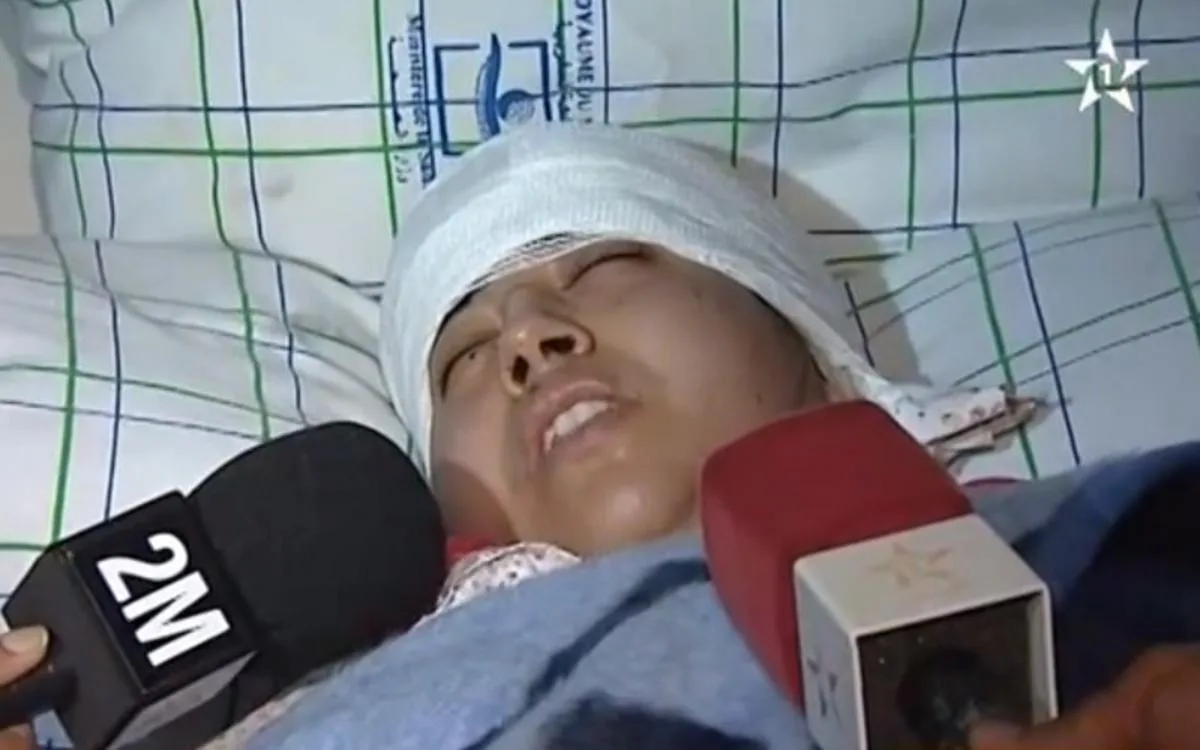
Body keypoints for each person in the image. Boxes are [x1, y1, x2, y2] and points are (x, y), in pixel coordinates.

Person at [3, 123, 1199, 749]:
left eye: (609, 264)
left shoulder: (1084, 559)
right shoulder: (295, 698)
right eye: (464, 360)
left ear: (806, 339)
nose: (530, 339)